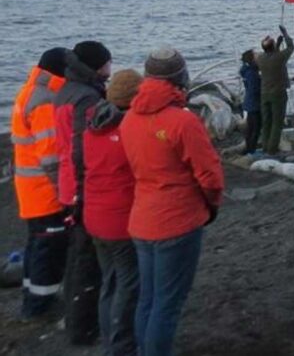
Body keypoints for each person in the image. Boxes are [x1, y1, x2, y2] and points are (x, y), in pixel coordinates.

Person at [121, 47, 223, 356]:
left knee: (148, 299)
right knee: (167, 304)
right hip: (177, 222)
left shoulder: (128, 120)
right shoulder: (183, 121)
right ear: (180, 78)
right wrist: (211, 205)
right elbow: (210, 176)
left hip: (142, 221)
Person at [55, 40, 113, 345]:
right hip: (82, 186)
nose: (110, 68)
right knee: (87, 260)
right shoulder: (86, 98)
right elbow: (82, 148)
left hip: (68, 182)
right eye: (107, 62)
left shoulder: (67, 91)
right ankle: (82, 328)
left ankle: (75, 318)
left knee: (78, 257)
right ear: (97, 65)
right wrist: (82, 193)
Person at [85, 69, 143, 356]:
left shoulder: (92, 127)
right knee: (128, 284)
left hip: (95, 215)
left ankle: (110, 339)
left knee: (109, 282)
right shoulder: (128, 130)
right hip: (120, 219)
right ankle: (120, 346)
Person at [12, 47, 69, 320]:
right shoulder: (46, 100)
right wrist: (66, 193)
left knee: (36, 245)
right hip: (45, 192)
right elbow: (51, 157)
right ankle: (39, 306)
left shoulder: (29, 91)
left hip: (30, 188)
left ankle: (32, 296)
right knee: (49, 249)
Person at [255, 25, 294, 157]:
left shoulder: (260, 58)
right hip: (278, 93)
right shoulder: (279, 58)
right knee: (277, 122)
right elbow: (291, 48)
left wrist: (277, 44)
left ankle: (265, 146)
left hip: (264, 93)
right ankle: (271, 150)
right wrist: (286, 33)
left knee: (266, 122)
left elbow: (272, 55)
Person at [238, 50, 261, 155]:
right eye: (256, 56)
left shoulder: (247, 71)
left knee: (251, 127)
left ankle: (249, 148)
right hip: (254, 103)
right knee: (255, 128)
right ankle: (251, 150)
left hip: (249, 102)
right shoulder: (252, 73)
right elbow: (254, 89)